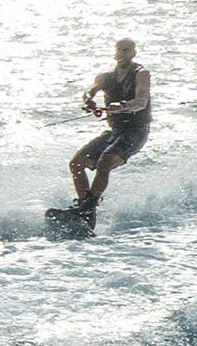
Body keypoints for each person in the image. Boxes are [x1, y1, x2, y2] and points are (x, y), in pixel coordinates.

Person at [65, 38, 154, 220]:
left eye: (126, 50)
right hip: (115, 131)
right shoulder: (105, 78)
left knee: (105, 161)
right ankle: (85, 208)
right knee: (76, 163)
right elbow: (90, 91)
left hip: (136, 131)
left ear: (133, 53)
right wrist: (89, 101)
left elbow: (142, 101)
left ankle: (89, 207)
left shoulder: (141, 73)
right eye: (119, 50)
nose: (122, 54)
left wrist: (123, 106)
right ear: (115, 53)